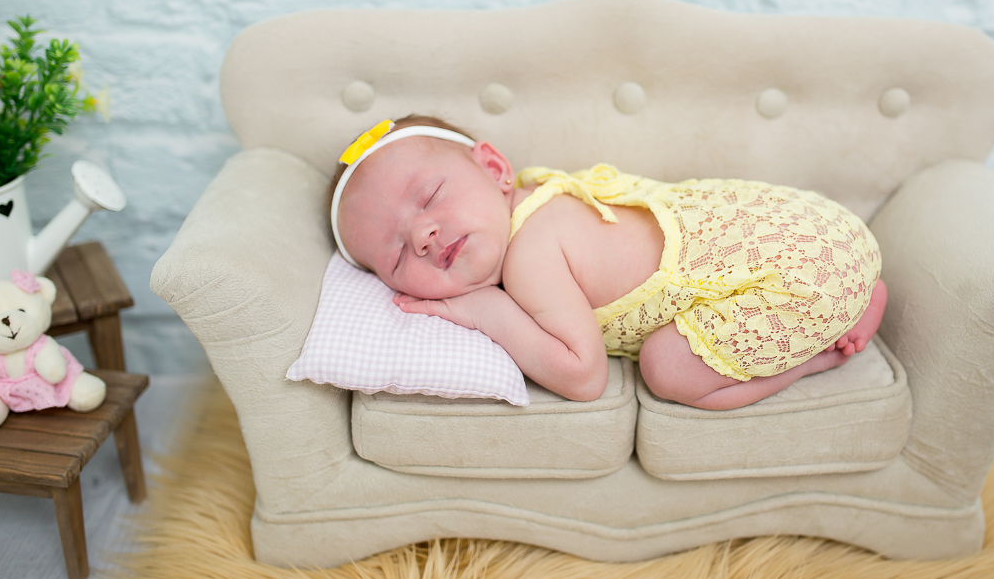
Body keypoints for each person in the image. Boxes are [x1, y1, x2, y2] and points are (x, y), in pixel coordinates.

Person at [329, 115, 887, 411]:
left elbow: (584, 376)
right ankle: (853, 295)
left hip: (802, 277)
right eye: (398, 254)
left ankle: (819, 351)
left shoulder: (531, 253)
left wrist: (486, 311)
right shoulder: (536, 192)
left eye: (429, 197)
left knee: (667, 369)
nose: (423, 235)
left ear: (495, 168)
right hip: (814, 225)